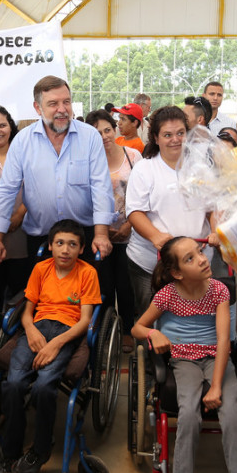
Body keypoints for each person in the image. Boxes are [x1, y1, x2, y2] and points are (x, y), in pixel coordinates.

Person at [131, 236, 237, 473]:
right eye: (190, 258)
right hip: (183, 361)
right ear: (176, 273)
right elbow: (137, 328)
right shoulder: (167, 295)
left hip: (216, 356)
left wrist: (217, 386)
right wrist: (154, 333)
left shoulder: (219, 290)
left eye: (200, 252)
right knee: (188, 414)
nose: (201, 260)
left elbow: (223, 341)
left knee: (232, 415)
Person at [0, 219, 101, 473]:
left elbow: (85, 321)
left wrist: (56, 344)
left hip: (67, 332)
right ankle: (10, 452)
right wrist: (31, 332)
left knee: (44, 387)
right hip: (38, 327)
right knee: (14, 383)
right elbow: (27, 312)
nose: (65, 250)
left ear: (81, 248)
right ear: (51, 246)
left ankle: (40, 450)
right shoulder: (41, 269)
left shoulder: (87, 273)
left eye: (72, 245)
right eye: (60, 243)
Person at [0, 76, 114, 277]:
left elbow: (101, 186)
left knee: (87, 301)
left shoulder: (90, 137)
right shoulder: (22, 141)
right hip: (40, 241)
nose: (62, 109)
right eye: (53, 104)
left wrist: (101, 234)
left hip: (86, 239)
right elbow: (7, 189)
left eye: (66, 102)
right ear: (38, 108)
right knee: (43, 302)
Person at [126, 106, 217, 317]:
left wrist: (215, 230)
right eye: (167, 135)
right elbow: (135, 212)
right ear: (156, 138)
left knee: (192, 320)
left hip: (196, 262)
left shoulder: (200, 168)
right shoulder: (145, 169)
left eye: (180, 133)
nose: (175, 139)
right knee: (150, 319)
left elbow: (213, 209)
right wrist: (155, 236)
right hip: (150, 261)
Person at [85, 109, 142, 351]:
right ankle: (107, 331)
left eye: (107, 129)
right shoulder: (88, 161)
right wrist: (102, 230)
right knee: (104, 286)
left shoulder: (134, 156)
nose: (104, 136)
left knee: (126, 286)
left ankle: (128, 330)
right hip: (101, 235)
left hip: (131, 233)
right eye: (97, 133)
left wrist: (130, 224)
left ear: (115, 129)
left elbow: (143, 195)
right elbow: (84, 198)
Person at [0, 105, 30, 306]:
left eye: (2, 125)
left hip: (22, 229)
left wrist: (18, 215)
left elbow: (36, 187)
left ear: (10, 126)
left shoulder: (24, 152)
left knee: (21, 289)